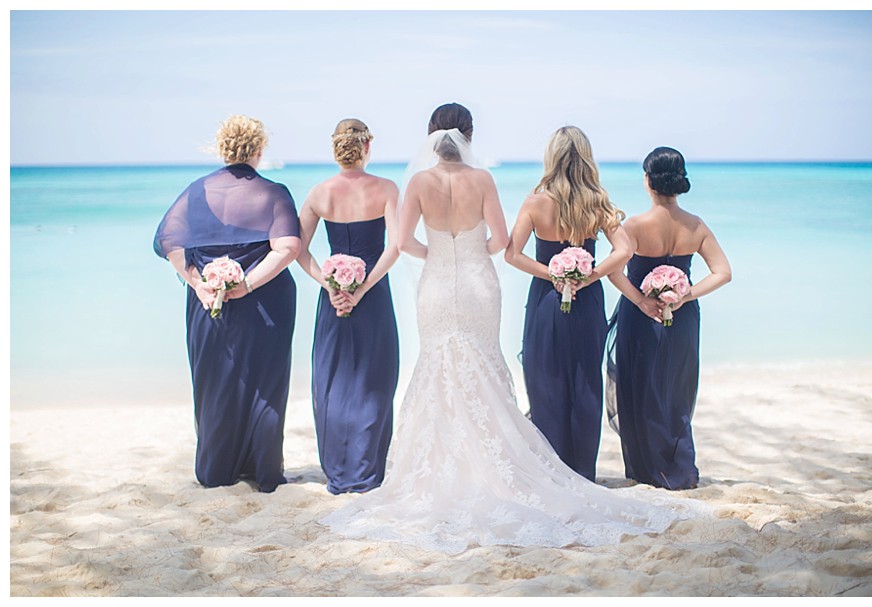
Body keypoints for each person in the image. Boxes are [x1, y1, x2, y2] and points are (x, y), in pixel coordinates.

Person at [321, 103, 700, 554]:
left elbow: (403, 243)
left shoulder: (419, 183)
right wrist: (476, 255)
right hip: (481, 284)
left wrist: (443, 256)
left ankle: (449, 467)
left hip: (438, 284)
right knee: (483, 363)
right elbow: (500, 243)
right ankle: (542, 465)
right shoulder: (483, 180)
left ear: (430, 137)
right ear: (468, 136)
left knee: (439, 364)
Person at [153, 115, 301, 493]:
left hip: (208, 305)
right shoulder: (274, 192)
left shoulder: (195, 191)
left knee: (213, 382)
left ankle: (217, 470)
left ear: (222, 149)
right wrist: (247, 285)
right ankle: (263, 470)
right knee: (265, 385)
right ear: (259, 149)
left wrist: (199, 283)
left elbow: (169, 242)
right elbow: (288, 249)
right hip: (266, 303)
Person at [505, 126, 631, 482]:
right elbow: (624, 250)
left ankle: (551, 472)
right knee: (585, 383)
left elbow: (511, 254)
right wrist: (590, 277)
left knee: (545, 380)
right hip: (588, 302)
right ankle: (582, 473)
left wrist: (552, 275)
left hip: (546, 301)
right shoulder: (597, 201)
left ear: (552, 157)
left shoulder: (535, 201)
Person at [606, 146, 732, 490]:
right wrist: (684, 295)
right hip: (682, 317)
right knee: (676, 389)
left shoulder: (633, 225)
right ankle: (678, 467)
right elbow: (722, 273)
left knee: (638, 388)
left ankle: (645, 470)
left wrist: (642, 302)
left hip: (639, 316)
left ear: (648, 181)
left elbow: (613, 273)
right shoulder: (696, 225)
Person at [295, 118, 400, 495]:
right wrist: (363, 288)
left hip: (333, 300)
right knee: (376, 379)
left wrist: (331, 284)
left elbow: (298, 251)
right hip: (373, 299)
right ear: (367, 146)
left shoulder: (319, 193)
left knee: (334, 380)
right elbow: (395, 247)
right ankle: (367, 471)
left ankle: (339, 471)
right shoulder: (387, 189)